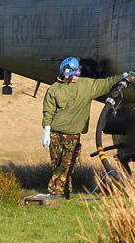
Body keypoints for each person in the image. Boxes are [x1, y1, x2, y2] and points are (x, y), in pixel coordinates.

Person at [42, 57, 125, 198]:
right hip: (55, 134)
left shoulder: (86, 85)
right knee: (57, 165)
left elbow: (106, 83)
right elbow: (48, 111)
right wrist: (47, 130)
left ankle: (54, 191)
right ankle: (64, 193)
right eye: (73, 73)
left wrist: (123, 76)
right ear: (65, 72)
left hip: (73, 134)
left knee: (67, 164)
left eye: (77, 72)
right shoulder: (53, 90)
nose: (76, 76)